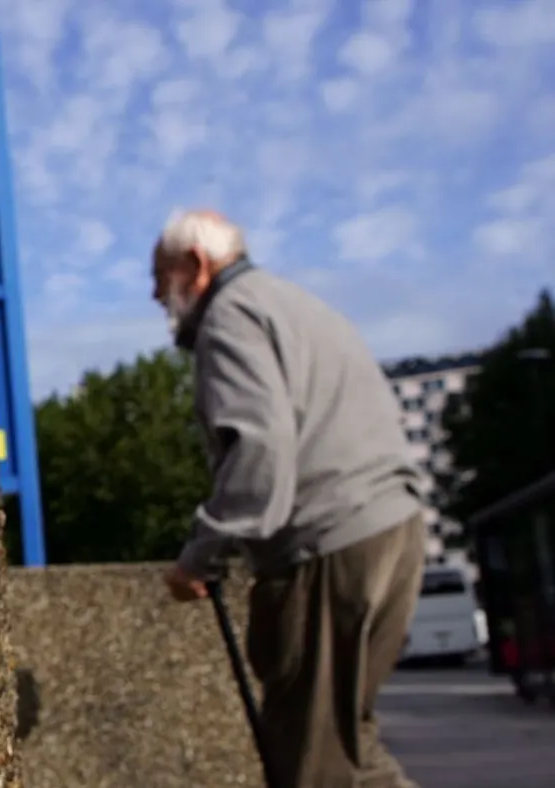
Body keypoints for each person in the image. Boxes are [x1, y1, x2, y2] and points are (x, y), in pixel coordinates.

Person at [152, 209, 427, 787]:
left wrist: (201, 555)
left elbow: (259, 455)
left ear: (195, 265)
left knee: (311, 759)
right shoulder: (296, 305)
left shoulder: (228, 318)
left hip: (327, 543)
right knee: (350, 741)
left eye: (161, 279)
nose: (158, 298)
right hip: (392, 529)